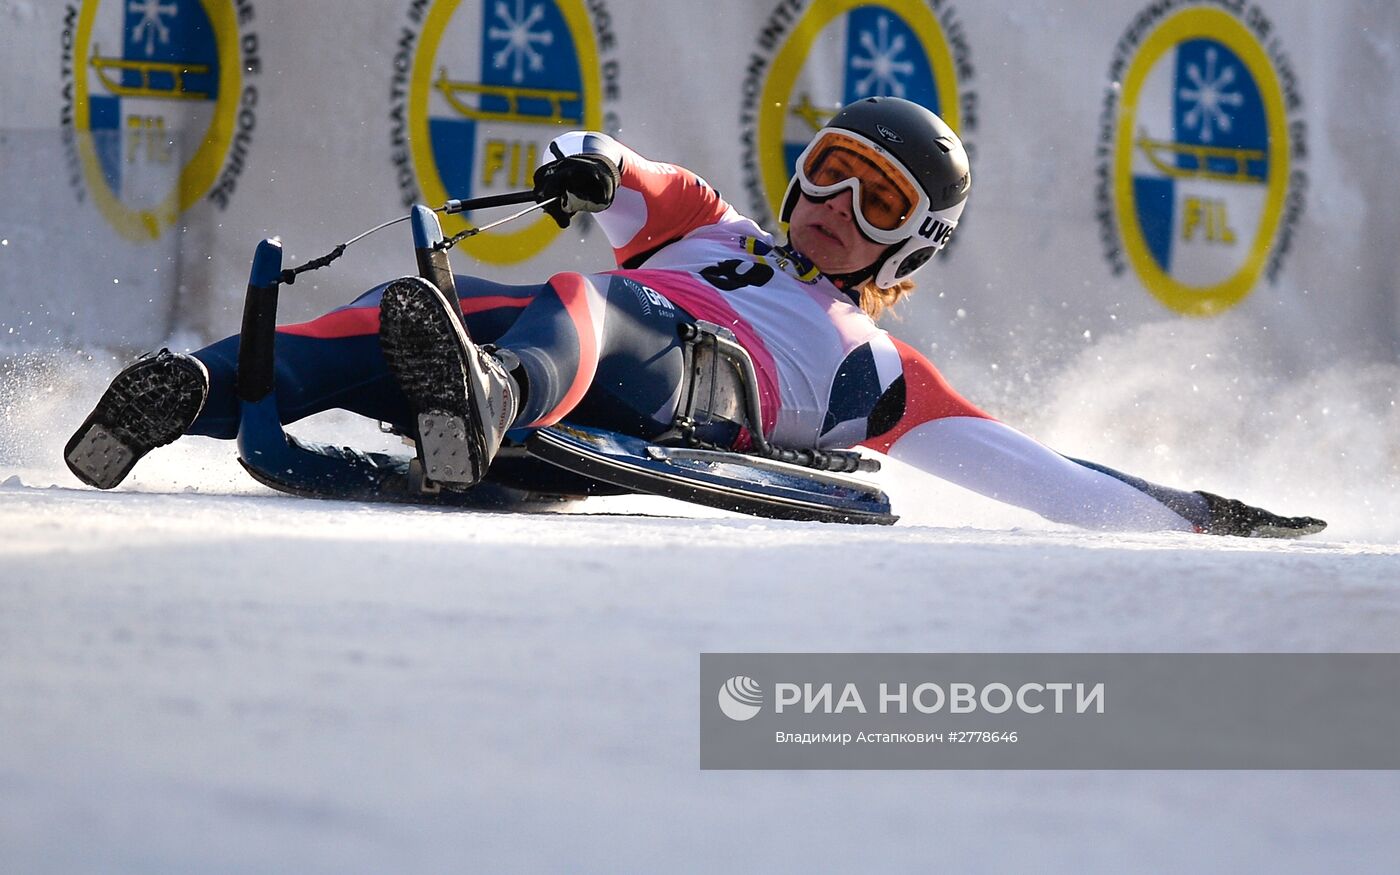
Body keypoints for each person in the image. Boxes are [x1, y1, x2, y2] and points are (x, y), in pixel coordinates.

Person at [65, 96, 1324, 537]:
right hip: (539, 333)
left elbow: (1048, 477)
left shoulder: (875, 367)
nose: (831, 202)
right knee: (365, 323)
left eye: (871, 197)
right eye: (826, 169)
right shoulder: (710, 226)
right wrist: (584, 167)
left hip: (685, 378)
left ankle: (483, 400)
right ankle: (183, 393)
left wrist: (1200, 513)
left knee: (582, 300)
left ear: (910, 241)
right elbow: (631, 169)